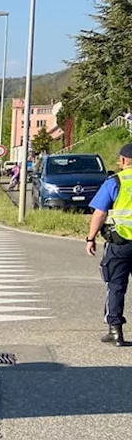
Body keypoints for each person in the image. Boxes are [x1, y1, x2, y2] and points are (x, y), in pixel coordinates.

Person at [85, 141, 132, 346]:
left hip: (120, 243)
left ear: (122, 161)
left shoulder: (115, 181)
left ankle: (115, 331)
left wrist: (90, 237)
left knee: (115, 286)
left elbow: (100, 212)